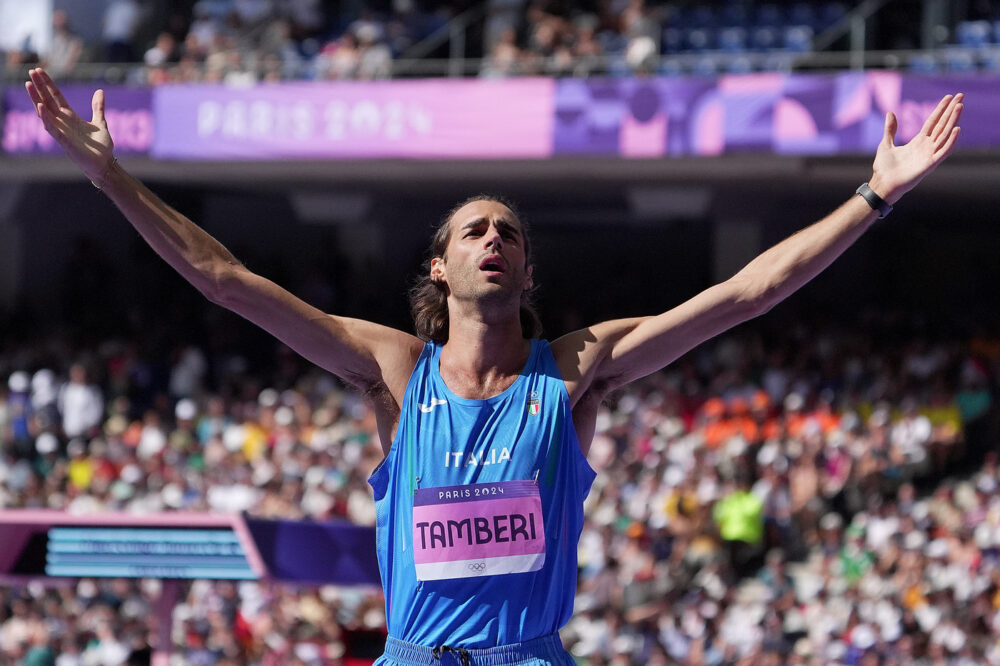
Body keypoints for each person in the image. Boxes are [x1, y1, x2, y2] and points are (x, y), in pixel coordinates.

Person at [23, 67, 962, 665]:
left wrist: (872, 195)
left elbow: (747, 294)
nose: (494, 239)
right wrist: (113, 177)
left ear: (525, 266)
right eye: (474, 229)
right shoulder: (391, 369)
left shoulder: (576, 368)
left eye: (510, 231)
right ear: (440, 264)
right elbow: (224, 280)